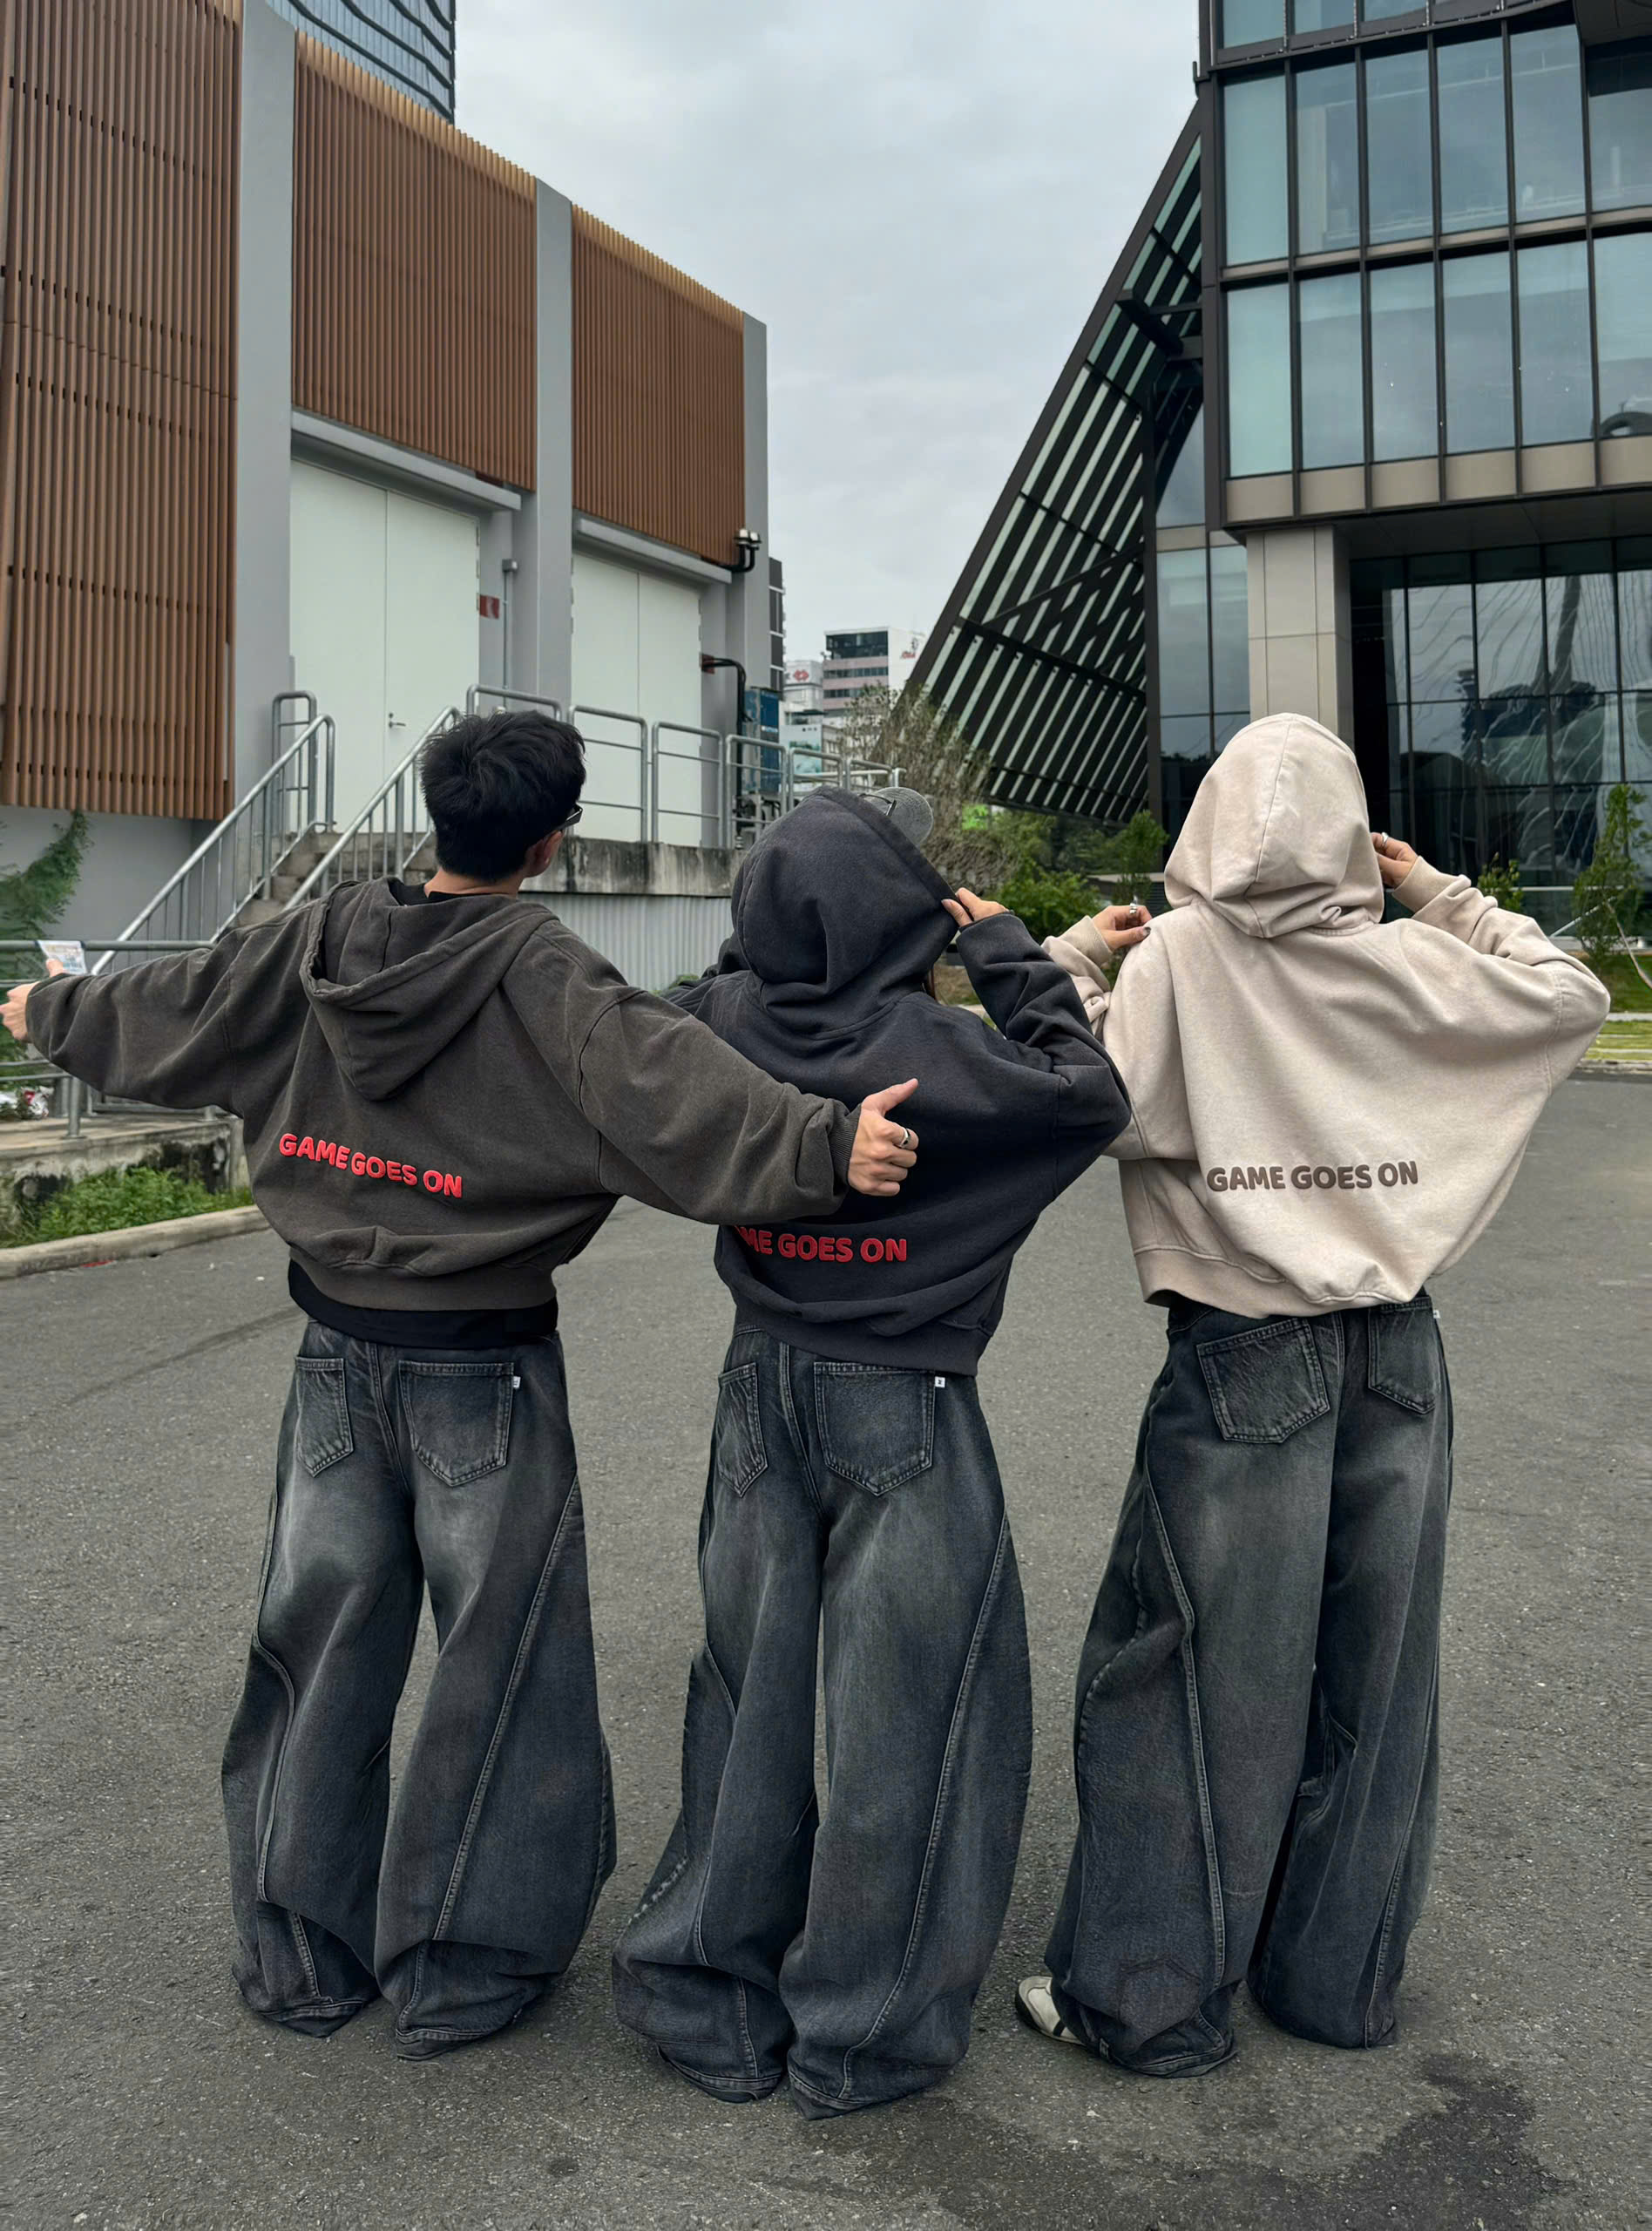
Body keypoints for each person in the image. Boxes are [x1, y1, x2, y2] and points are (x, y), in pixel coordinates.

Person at [2, 710, 923, 2061]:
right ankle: (464, 1971)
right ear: (551, 842)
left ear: (437, 816)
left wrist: (48, 1011)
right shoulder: (547, 974)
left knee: (316, 1650)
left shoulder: (317, 940)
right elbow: (675, 1091)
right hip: (483, 1368)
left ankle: (299, 1954)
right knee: (506, 1664)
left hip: (332, 1361)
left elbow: (178, 1004)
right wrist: (832, 1148)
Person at [1015, 711, 1612, 2076]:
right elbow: (1567, 995)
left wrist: (1067, 962)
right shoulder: (1414, 962)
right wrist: (1438, 894)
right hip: (1400, 1348)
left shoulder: (1181, 961)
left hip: (1244, 1346)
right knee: (1380, 1673)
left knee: (1191, 1669)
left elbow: (1087, 1096)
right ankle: (1338, 1982)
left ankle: (1147, 2000)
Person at [611, 783, 1146, 2119]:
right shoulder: (938, 1048)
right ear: (903, 915)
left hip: (759, 1384)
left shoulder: (724, 1023)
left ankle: (703, 1992)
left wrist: (770, 953)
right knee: (913, 1717)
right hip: (906, 1396)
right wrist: (1008, 951)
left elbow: (672, 1030)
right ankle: (864, 2031)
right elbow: (1088, 1094)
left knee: (747, 1697)